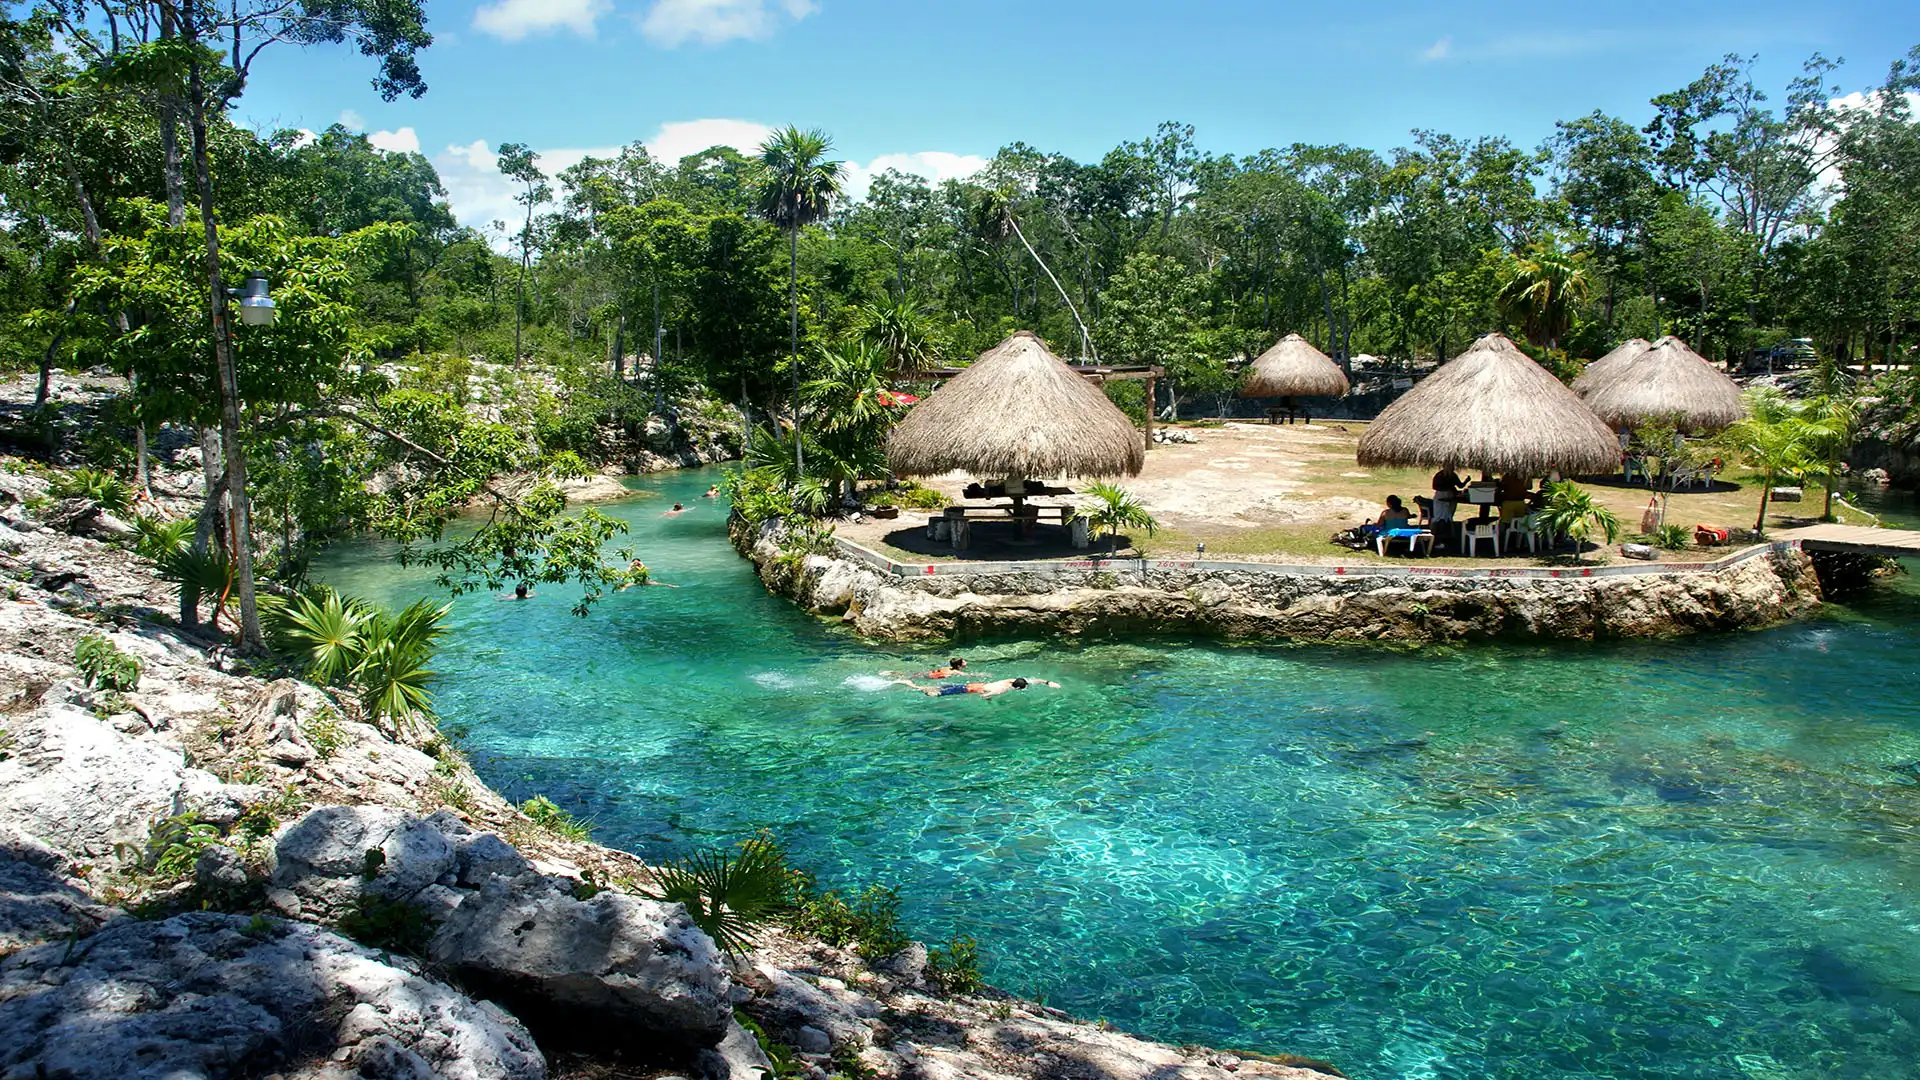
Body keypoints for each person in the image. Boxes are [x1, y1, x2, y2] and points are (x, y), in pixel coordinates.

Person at [896, 677, 1060, 699]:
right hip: (965, 690)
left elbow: (1032, 680)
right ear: (1018, 689)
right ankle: (909, 684)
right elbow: (984, 697)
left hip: (970, 685)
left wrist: (1047, 682)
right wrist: (992, 703)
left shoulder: (1009, 681)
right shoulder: (1002, 690)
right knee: (930, 693)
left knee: (936, 686)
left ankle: (911, 682)